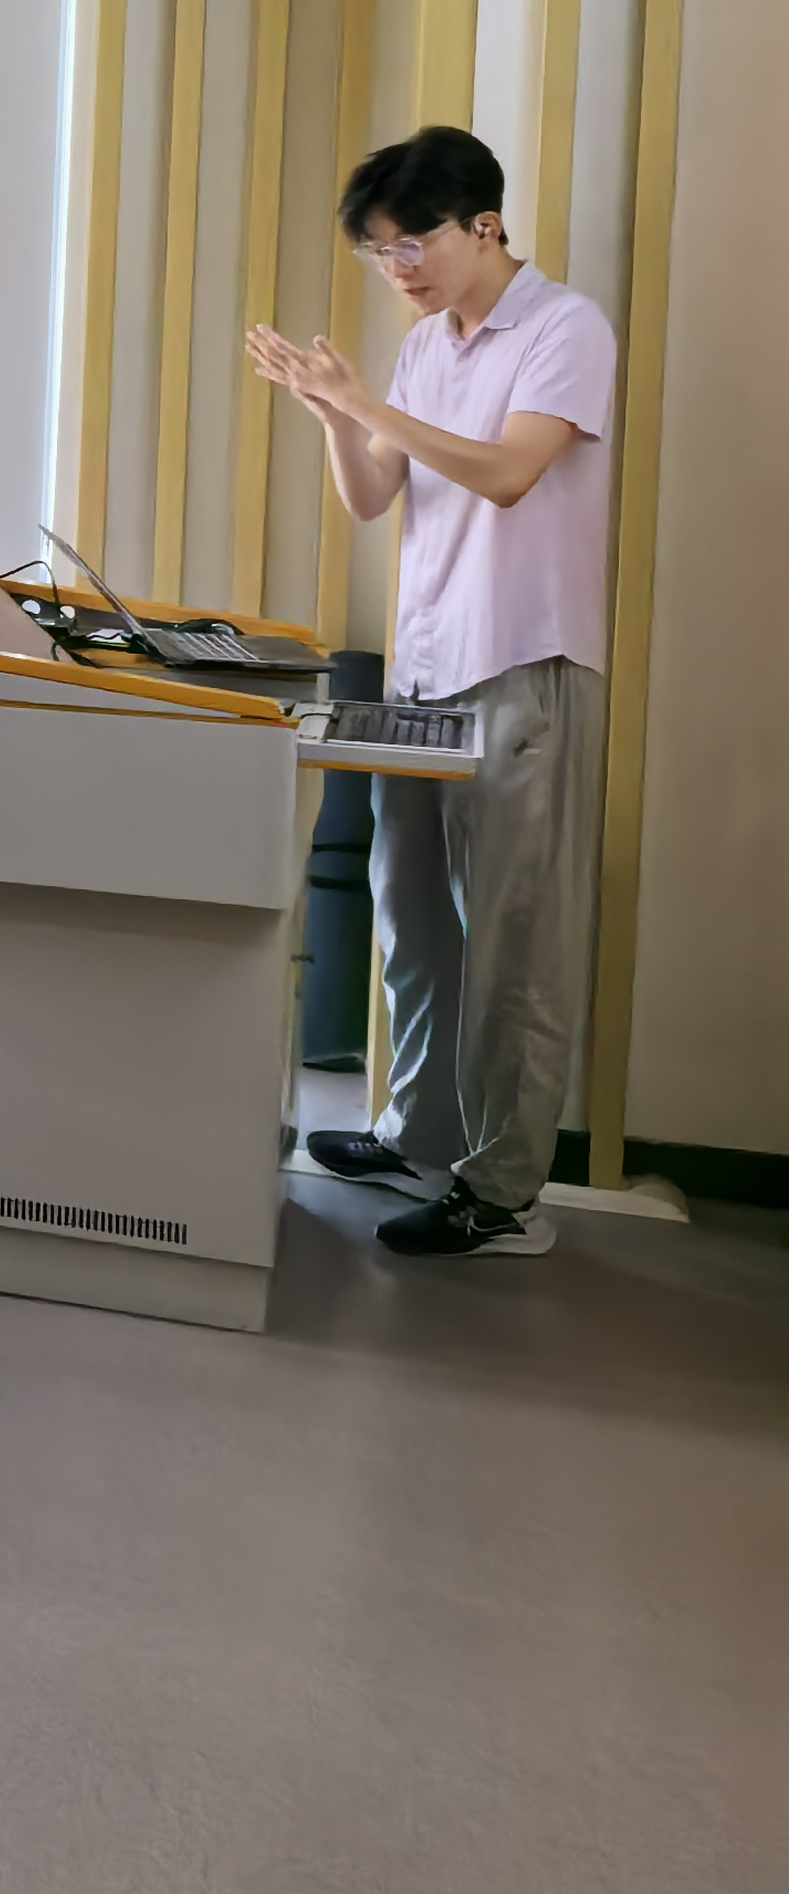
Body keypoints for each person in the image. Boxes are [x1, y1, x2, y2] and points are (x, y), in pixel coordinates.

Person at [246, 125, 615, 1262]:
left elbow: (507, 474)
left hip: (521, 662)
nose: (396, 268)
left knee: (514, 941)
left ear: (484, 226)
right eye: (379, 252)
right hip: (424, 665)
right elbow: (373, 498)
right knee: (410, 912)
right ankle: (421, 1135)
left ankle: (504, 1197)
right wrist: (333, 413)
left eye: (411, 244)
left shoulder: (563, 328)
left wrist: (369, 407)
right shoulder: (424, 346)